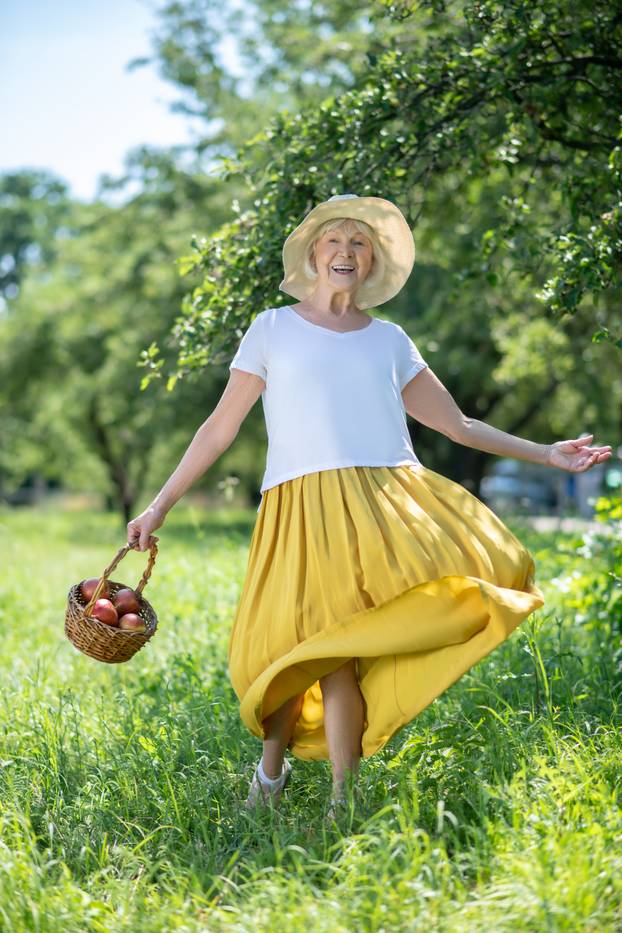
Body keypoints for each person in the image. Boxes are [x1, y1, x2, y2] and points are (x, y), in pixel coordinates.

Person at [127, 193, 612, 820]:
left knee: (340, 653)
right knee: (284, 645)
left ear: (372, 260)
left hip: (381, 506)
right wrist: (160, 506)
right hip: (298, 505)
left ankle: (342, 801)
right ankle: (269, 776)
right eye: (335, 240)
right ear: (312, 253)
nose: (346, 252)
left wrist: (548, 454)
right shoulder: (272, 328)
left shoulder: (389, 340)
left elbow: (458, 424)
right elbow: (218, 428)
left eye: (359, 243)